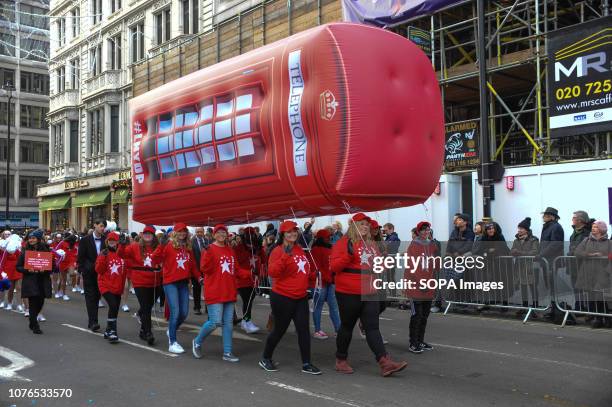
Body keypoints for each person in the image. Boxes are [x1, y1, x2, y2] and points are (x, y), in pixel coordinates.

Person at [331, 213, 407, 377]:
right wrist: (348, 255)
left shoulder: (371, 244)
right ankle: (341, 360)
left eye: (367, 225)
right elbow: (334, 267)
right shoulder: (343, 243)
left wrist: (385, 262)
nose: (366, 227)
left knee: (372, 327)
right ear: (354, 226)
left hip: (370, 291)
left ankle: (385, 362)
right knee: (347, 326)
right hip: (348, 292)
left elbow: (379, 267)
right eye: (362, 224)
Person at [259, 220, 321, 375]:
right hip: (282, 297)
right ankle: (265, 357)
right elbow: (273, 272)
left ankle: (306, 364)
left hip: (300, 297)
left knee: (304, 330)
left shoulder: (300, 249)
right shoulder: (278, 250)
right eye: (289, 232)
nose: (293, 234)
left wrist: (314, 276)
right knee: (279, 330)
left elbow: (302, 270)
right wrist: (286, 256)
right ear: (283, 234)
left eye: (294, 231)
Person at [193, 224, 250, 362]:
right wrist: (206, 254)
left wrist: (250, 274)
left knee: (228, 324)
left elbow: (236, 269)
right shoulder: (209, 249)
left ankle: (227, 352)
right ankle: (197, 342)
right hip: (215, 291)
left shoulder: (230, 250)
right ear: (214, 235)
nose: (221, 235)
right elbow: (204, 268)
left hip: (229, 291)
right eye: (218, 232)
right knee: (214, 322)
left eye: (223, 232)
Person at [151, 223, 199, 353]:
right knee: (175, 312)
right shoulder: (168, 246)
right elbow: (154, 259)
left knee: (183, 313)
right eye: (180, 231)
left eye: (184, 231)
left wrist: (199, 277)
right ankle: (172, 342)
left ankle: (171, 330)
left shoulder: (188, 247)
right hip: (170, 283)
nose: (182, 233)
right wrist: (161, 245)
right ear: (175, 232)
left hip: (183, 283)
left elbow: (193, 265)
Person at [119, 225, 163, 345]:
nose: (147, 235)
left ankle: (143, 330)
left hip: (155, 281)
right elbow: (122, 254)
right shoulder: (134, 247)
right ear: (142, 235)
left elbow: (164, 259)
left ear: (154, 236)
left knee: (147, 307)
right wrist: (122, 245)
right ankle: (148, 333)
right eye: (145, 233)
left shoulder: (158, 247)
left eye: (150, 233)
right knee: (146, 308)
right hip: (140, 282)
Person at [432, 214, 474, 313]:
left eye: (460, 219)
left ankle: (461, 305)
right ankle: (438, 304)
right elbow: (449, 245)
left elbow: (468, 246)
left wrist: (458, 253)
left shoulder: (470, 233)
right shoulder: (454, 232)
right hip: (451, 260)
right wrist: (448, 254)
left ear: (465, 222)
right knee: (443, 281)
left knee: (461, 283)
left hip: (462, 262)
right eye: (457, 219)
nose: (457, 221)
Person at [406, 221, 437, 353]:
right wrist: (420, 283)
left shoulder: (431, 245)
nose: (426, 232)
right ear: (419, 231)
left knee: (424, 315)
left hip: (428, 285)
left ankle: (420, 340)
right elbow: (411, 267)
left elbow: (433, 266)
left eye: (428, 230)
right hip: (416, 286)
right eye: (423, 230)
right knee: (416, 315)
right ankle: (413, 342)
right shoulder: (413, 245)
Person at [16, 229, 55, 334]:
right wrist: (27, 270)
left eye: (33, 238)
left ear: (38, 239)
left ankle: (31, 320)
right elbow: (18, 267)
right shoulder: (25, 251)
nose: (31, 240)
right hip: (30, 280)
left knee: (40, 302)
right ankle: (35, 325)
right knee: (33, 303)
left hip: (43, 280)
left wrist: (45, 269)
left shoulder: (46, 250)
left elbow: (53, 266)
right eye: (29, 238)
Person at [574, 221, 611, 328]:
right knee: (592, 296)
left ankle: (606, 318)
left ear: (602, 229)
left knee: (601, 296)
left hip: (602, 274)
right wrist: (590, 254)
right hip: (588, 273)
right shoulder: (586, 240)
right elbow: (577, 252)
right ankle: (597, 318)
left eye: (596, 227)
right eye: (593, 227)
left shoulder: (609, 243)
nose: (593, 228)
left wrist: (607, 271)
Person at [95, 232, 127, 343]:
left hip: (118, 285)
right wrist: (103, 257)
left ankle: (108, 330)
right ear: (107, 242)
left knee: (115, 309)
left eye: (114, 240)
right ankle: (113, 331)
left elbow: (124, 257)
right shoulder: (104, 253)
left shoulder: (120, 253)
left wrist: (123, 245)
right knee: (113, 305)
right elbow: (99, 270)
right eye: (110, 240)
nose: (112, 242)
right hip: (105, 285)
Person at [309, 229, 340, 339]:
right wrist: (329, 278)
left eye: (330, 237)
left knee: (333, 306)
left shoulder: (328, 248)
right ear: (322, 238)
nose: (330, 239)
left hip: (328, 281)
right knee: (319, 306)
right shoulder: (316, 250)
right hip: (319, 282)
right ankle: (317, 330)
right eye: (328, 237)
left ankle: (338, 329)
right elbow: (317, 267)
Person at [78, 219, 106, 332]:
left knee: (97, 297)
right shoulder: (85, 240)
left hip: (102, 273)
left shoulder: (106, 240)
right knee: (90, 297)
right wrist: (82, 270)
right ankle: (93, 322)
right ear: (95, 225)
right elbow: (81, 256)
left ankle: (92, 321)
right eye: (101, 226)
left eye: (104, 226)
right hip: (89, 273)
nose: (102, 228)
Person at [233, 226, 262, 334]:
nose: (251, 237)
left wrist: (258, 249)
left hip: (253, 279)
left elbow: (262, 258)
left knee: (250, 300)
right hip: (243, 279)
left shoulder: (255, 247)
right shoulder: (240, 247)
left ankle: (246, 321)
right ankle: (246, 321)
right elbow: (238, 261)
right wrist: (247, 250)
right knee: (247, 300)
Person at [510, 217, 540, 316]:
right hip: (519, 267)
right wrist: (513, 252)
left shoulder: (533, 240)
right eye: (518, 228)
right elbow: (512, 251)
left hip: (530, 267)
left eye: (521, 228)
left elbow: (535, 252)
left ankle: (535, 308)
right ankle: (524, 307)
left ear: (526, 230)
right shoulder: (516, 240)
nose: (519, 230)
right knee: (523, 287)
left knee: (533, 287)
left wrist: (520, 253)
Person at [1, 234, 24, 312]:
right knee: (10, 288)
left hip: (17, 270)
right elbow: (2, 261)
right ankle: (10, 303)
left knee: (19, 288)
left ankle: (19, 305)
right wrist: (2, 272)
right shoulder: (6, 251)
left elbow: (21, 260)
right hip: (8, 270)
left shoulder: (18, 250)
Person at [56, 232, 78, 301]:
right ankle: (62, 293)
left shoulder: (74, 245)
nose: (75, 242)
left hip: (70, 262)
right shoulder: (62, 243)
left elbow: (75, 253)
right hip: (62, 262)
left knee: (72, 274)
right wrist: (60, 253)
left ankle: (77, 274)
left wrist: (75, 262)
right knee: (63, 279)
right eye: (74, 240)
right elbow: (56, 250)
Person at [191, 227, 208, 315]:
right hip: (196, 269)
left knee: (208, 289)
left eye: (201, 232)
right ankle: (197, 308)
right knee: (197, 289)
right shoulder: (191, 242)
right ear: (195, 232)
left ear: (203, 232)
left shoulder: (208, 241)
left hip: (207, 269)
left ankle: (208, 307)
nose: (199, 233)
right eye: (197, 232)